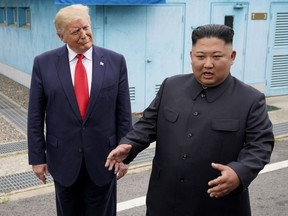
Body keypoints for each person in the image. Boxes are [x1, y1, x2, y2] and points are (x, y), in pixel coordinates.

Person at [105, 24, 275, 216]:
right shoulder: (171, 86)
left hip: (217, 203)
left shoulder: (250, 99)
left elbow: (260, 144)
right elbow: (148, 124)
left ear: (232, 57)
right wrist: (129, 144)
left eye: (217, 57)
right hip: (164, 202)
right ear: (191, 55)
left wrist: (239, 172)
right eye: (200, 56)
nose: (208, 64)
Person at [27, 4, 132, 216]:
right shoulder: (43, 63)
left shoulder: (115, 61)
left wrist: (125, 155)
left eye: (86, 27)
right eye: (75, 31)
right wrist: (37, 158)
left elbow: (123, 114)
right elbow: (35, 116)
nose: (84, 35)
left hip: (106, 158)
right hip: (63, 158)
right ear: (61, 36)